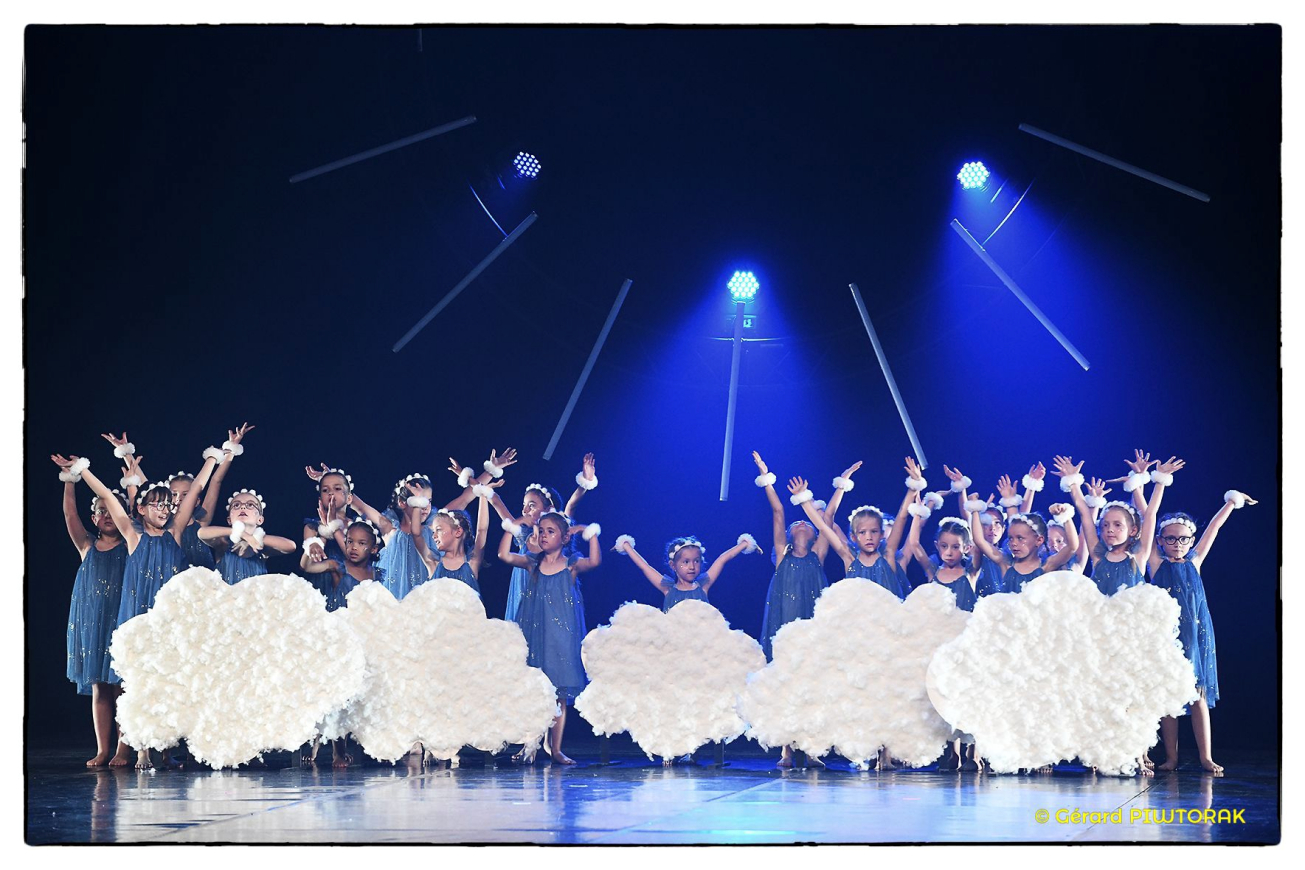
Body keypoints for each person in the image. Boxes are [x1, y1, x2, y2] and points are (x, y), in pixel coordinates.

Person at [1148, 489, 1256, 774]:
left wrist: (1232, 502)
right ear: (1160, 540)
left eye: (1183, 539)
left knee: (1198, 696)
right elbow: (1148, 519)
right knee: (1169, 698)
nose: (1177, 544)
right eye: (1171, 538)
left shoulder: (1195, 561)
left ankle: (1205, 757)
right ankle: (1171, 757)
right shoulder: (1156, 563)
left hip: (1196, 638)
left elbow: (1214, 527)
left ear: (1191, 541)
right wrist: (1144, 486)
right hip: (1166, 637)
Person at [498, 510, 602, 764]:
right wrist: (512, 527)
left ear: (564, 538)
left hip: (562, 637)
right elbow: (504, 555)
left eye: (550, 531)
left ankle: (555, 748)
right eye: (541, 531)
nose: (543, 536)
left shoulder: (571, 564)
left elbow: (595, 562)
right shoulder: (533, 562)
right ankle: (530, 744)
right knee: (534, 690)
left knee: (559, 694)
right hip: (536, 634)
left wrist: (589, 532)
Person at [53, 456, 130, 767]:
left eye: (111, 509)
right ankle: (102, 749)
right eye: (101, 511)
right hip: (93, 623)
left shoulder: (131, 545)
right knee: (100, 687)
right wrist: (69, 481)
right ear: (94, 517)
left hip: (122, 621)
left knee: (122, 687)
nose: (107, 515)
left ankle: (124, 749)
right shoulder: (86, 545)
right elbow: (69, 514)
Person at [613, 532, 758, 611]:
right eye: (686, 562)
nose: (692, 566)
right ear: (673, 565)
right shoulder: (668, 588)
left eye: (696, 561)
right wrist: (626, 546)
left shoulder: (703, 585)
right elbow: (645, 566)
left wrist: (745, 544)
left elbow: (722, 559)